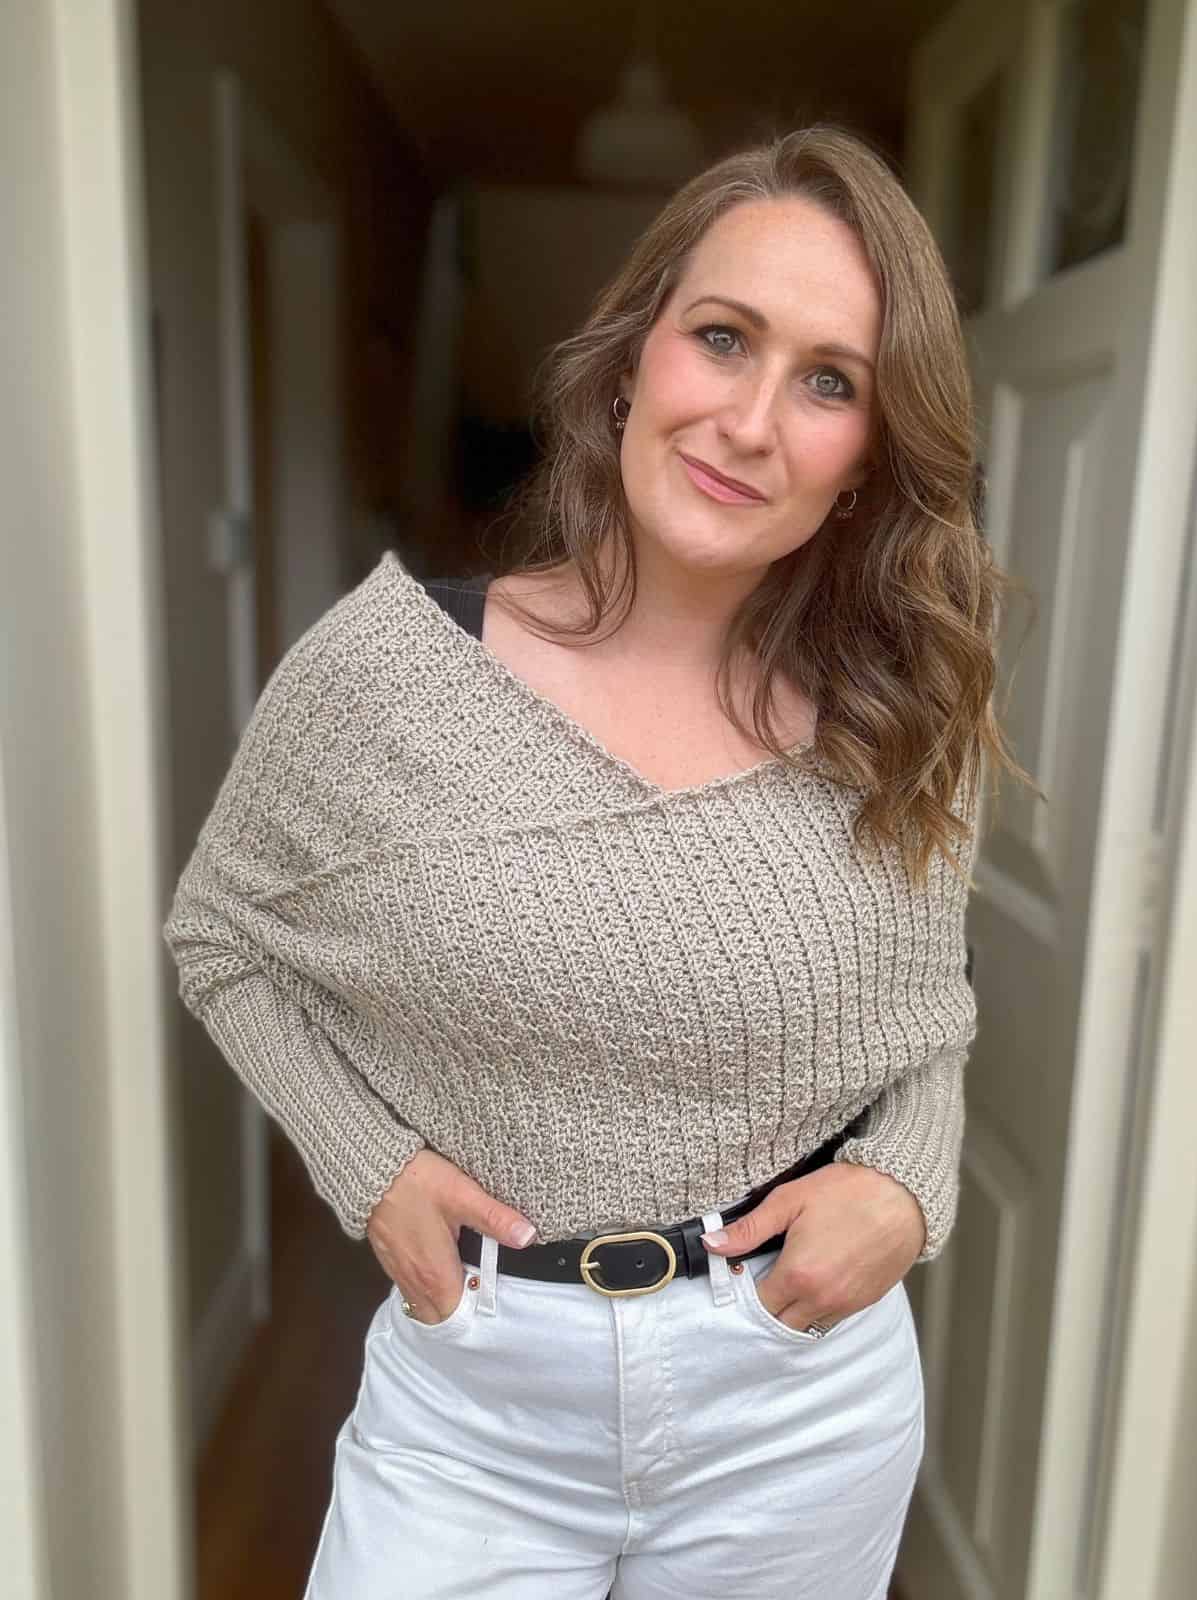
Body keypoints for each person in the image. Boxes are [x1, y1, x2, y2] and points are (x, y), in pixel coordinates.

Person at [164, 123, 1031, 1599]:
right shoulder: (391, 673)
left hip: (802, 1402)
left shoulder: (906, 712)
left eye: (830, 383)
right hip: (477, 1403)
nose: (752, 420)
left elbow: (925, 1014)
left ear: (868, 454)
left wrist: (909, 1177)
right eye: (722, 338)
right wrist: (368, 1165)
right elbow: (221, 935)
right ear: (634, 361)